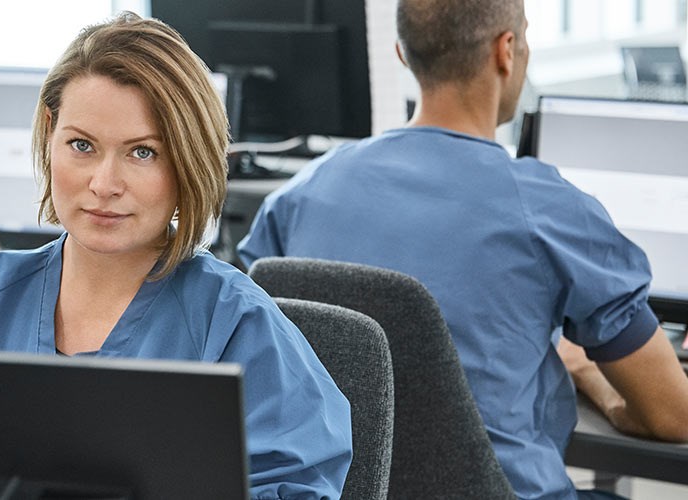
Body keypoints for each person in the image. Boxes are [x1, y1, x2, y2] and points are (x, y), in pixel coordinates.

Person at [238, 0, 688, 498]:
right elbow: (674, 416)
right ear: (507, 49)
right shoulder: (548, 208)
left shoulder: (300, 194)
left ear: (403, 56)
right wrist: (587, 374)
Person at [0, 13, 352, 498]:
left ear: (188, 159)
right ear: (49, 132)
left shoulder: (235, 326)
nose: (104, 184)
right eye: (82, 145)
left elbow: (295, 487)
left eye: (142, 153)